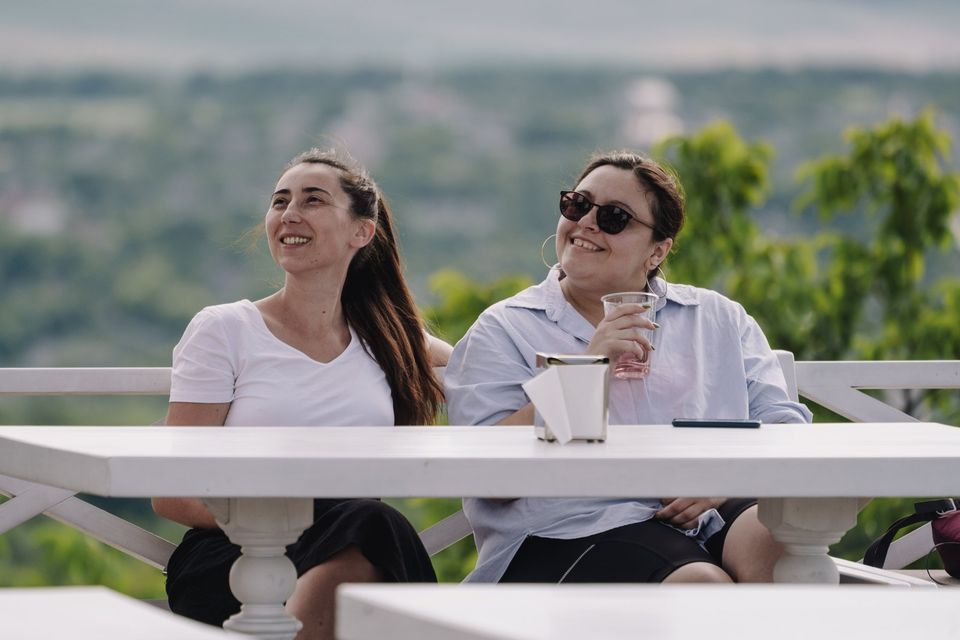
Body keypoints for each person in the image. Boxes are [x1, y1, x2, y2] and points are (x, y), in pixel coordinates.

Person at [444, 150, 812, 585]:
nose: (587, 223)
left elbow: (785, 428)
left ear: (657, 251)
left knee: (781, 541)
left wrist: (724, 479)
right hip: (568, 529)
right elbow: (489, 478)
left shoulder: (715, 317)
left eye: (614, 217)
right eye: (577, 205)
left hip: (705, 512)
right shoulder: (505, 328)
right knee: (701, 586)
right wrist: (585, 370)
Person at [152, 148, 448, 640]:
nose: (289, 213)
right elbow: (171, 492)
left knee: (366, 535)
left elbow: (481, 370)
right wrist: (277, 519)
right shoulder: (224, 330)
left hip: (355, 542)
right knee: (373, 528)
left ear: (362, 232)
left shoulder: (387, 339)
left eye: (313, 200)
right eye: (280, 201)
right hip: (239, 553)